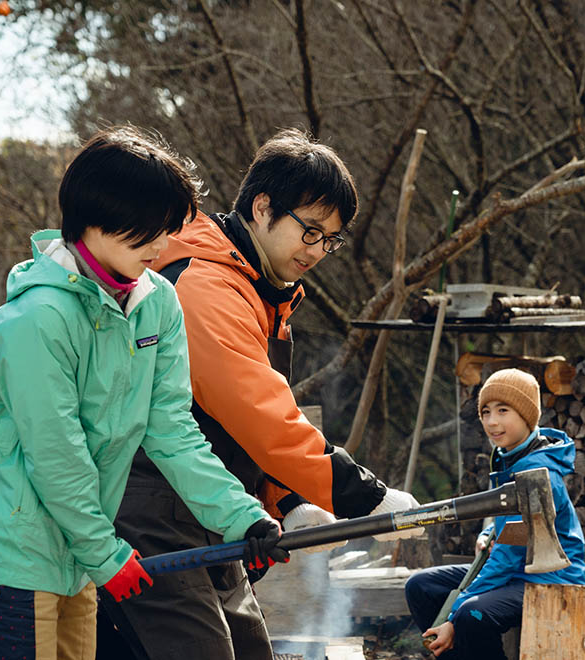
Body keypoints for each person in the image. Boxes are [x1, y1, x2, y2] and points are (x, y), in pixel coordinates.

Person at [0, 125, 286, 660]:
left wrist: (242, 515)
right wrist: (104, 552)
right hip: (12, 561)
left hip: (80, 561)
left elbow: (172, 431)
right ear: (93, 218)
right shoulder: (34, 319)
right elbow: (56, 453)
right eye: (146, 232)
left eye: (167, 230)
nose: (160, 246)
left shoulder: (157, 304)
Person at [97, 128, 423, 660]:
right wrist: (363, 495)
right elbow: (257, 414)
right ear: (262, 206)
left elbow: (236, 425)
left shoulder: (261, 290)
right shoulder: (205, 286)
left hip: (212, 509)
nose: (317, 251)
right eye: (310, 231)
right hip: (150, 508)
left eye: (331, 239)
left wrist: (287, 500)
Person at [404, 368, 585, 660]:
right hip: (517, 570)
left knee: (470, 614)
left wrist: (452, 617)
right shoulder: (508, 458)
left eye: (503, 411)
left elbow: (507, 557)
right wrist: (489, 532)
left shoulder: (537, 474)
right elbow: (507, 522)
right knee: (421, 586)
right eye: (486, 412)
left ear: (527, 415)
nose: (492, 422)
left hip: (549, 578)